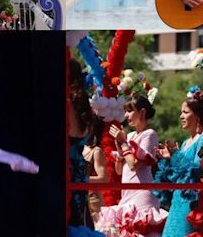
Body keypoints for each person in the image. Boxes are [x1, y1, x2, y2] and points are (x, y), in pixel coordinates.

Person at [96, 93, 166, 237]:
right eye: (125, 111)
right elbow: (120, 170)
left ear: (142, 112)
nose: (126, 115)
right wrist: (120, 150)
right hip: (127, 193)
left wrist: (123, 143)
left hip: (142, 194)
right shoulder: (130, 136)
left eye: (129, 110)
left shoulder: (150, 134)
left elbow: (135, 165)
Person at [153, 86, 203, 237]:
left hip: (191, 201)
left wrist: (174, 155)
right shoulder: (186, 141)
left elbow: (195, 170)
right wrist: (167, 160)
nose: (181, 116)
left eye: (185, 112)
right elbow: (177, 172)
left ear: (198, 116)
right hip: (178, 199)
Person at [68, 58, 95, 229]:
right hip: (79, 169)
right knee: (79, 216)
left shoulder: (68, 105)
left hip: (70, 169)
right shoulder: (86, 107)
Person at [82, 116, 108, 223]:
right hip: (80, 197)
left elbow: (103, 178)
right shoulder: (81, 148)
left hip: (93, 200)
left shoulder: (96, 151)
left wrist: (81, 179)